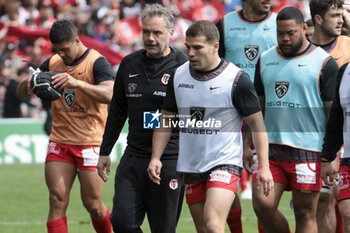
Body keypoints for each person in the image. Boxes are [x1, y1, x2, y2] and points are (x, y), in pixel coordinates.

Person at [147, 20, 273, 233]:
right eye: (188, 47)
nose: (191, 53)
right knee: (204, 229)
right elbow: (166, 118)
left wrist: (265, 167)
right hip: (191, 165)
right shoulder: (178, 76)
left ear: (215, 46)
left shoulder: (236, 79)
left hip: (225, 162)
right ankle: (235, 220)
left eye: (197, 47)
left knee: (213, 224)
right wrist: (155, 157)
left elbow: (257, 124)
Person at [16, 19, 114, 233]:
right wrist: (32, 82)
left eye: (65, 49)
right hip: (60, 142)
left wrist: (76, 83)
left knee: (94, 206)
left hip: (90, 142)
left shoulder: (97, 62)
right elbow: (21, 91)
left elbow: (109, 94)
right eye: (58, 51)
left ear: (77, 40)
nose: (62, 55)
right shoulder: (52, 62)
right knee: (57, 199)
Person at [97, 4, 186, 233]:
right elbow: (117, 112)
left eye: (157, 32)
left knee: (163, 229)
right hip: (134, 156)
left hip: (170, 159)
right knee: (121, 223)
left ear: (171, 33)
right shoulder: (129, 64)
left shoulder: (183, 66)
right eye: (146, 32)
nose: (150, 38)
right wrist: (105, 151)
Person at [252, 7, 339, 233]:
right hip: (271, 149)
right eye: (280, 33)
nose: (285, 38)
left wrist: (332, 155)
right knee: (262, 204)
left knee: (304, 213)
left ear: (304, 29)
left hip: (308, 150)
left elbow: (334, 115)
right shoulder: (264, 59)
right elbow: (257, 110)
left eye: (290, 33)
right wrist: (246, 145)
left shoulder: (324, 62)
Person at [216, 0, 277, 212]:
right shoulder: (224, 24)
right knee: (222, 179)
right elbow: (214, 64)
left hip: (270, 112)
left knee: (267, 192)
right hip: (230, 111)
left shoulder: (281, 24)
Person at [309, 0, 350, 232]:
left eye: (342, 14)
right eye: (335, 14)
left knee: (342, 202)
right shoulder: (304, 50)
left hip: (345, 135)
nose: (341, 19)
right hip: (317, 137)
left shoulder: (347, 44)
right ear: (318, 18)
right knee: (322, 201)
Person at [321, 62, 350, 233]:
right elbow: (337, 119)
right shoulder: (345, 71)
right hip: (348, 159)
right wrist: (328, 156)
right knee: (347, 213)